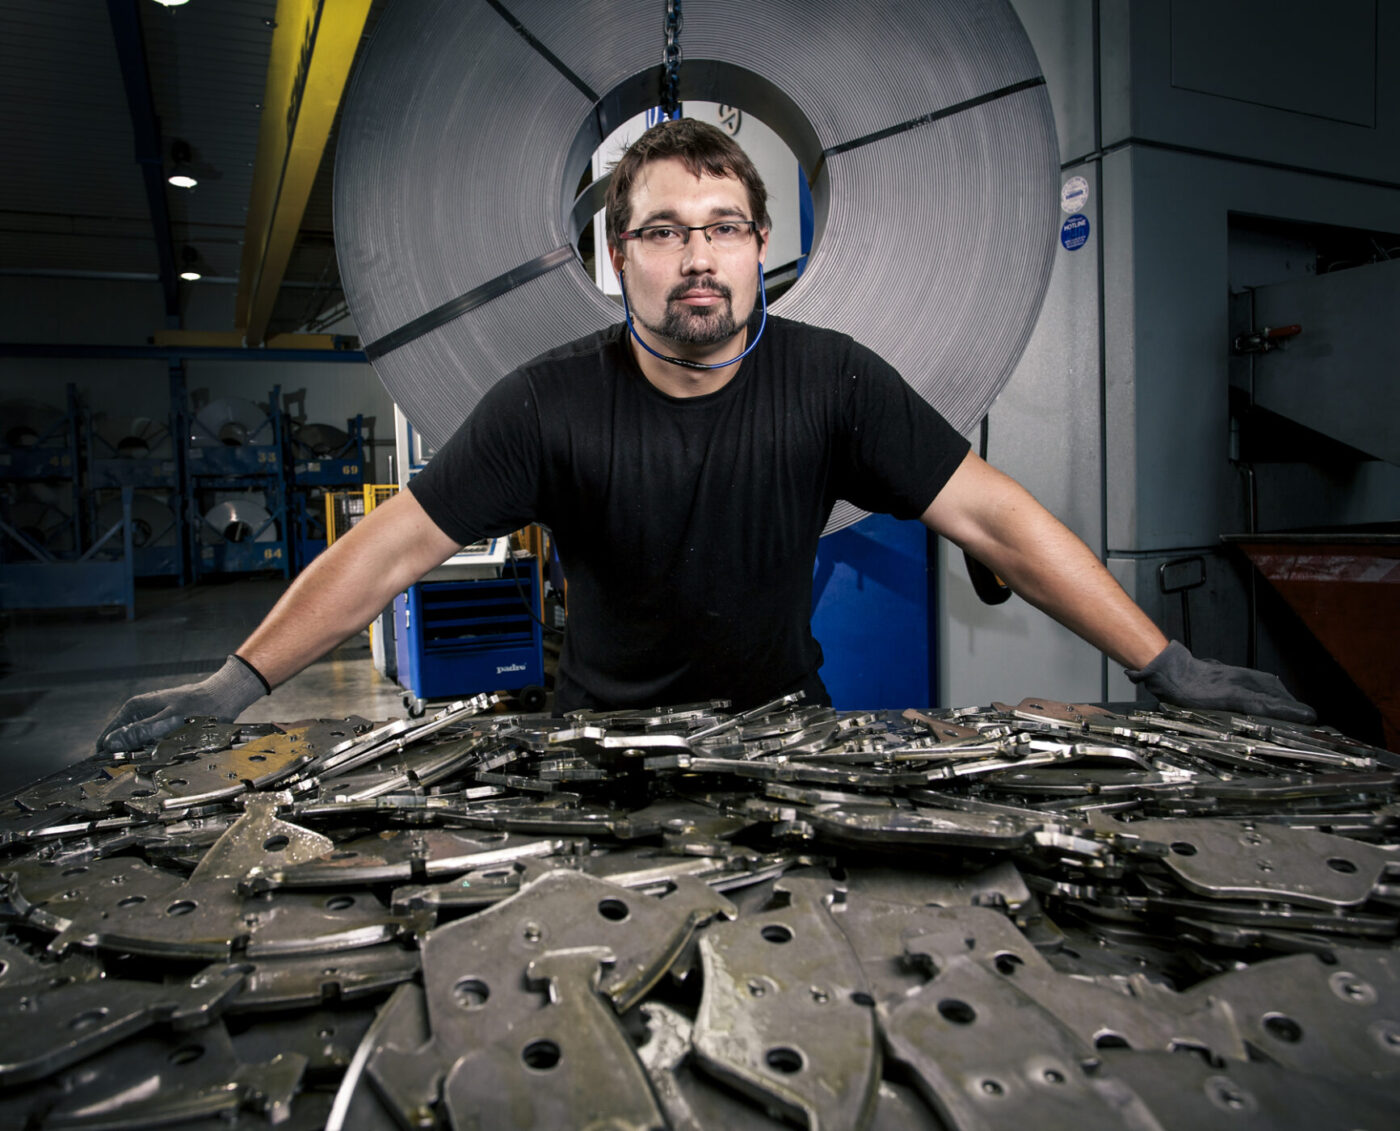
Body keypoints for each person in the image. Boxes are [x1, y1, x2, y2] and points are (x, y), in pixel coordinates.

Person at [97, 119, 1311, 752]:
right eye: (665, 228)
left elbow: (991, 511)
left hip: (790, 729)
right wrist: (237, 680)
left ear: (757, 247)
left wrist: (1165, 666)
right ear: (615, 255)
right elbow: (392, 548)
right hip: (601, 749)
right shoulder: (544, 403)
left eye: (725, 226)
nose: (697, 255)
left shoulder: (833, 382)